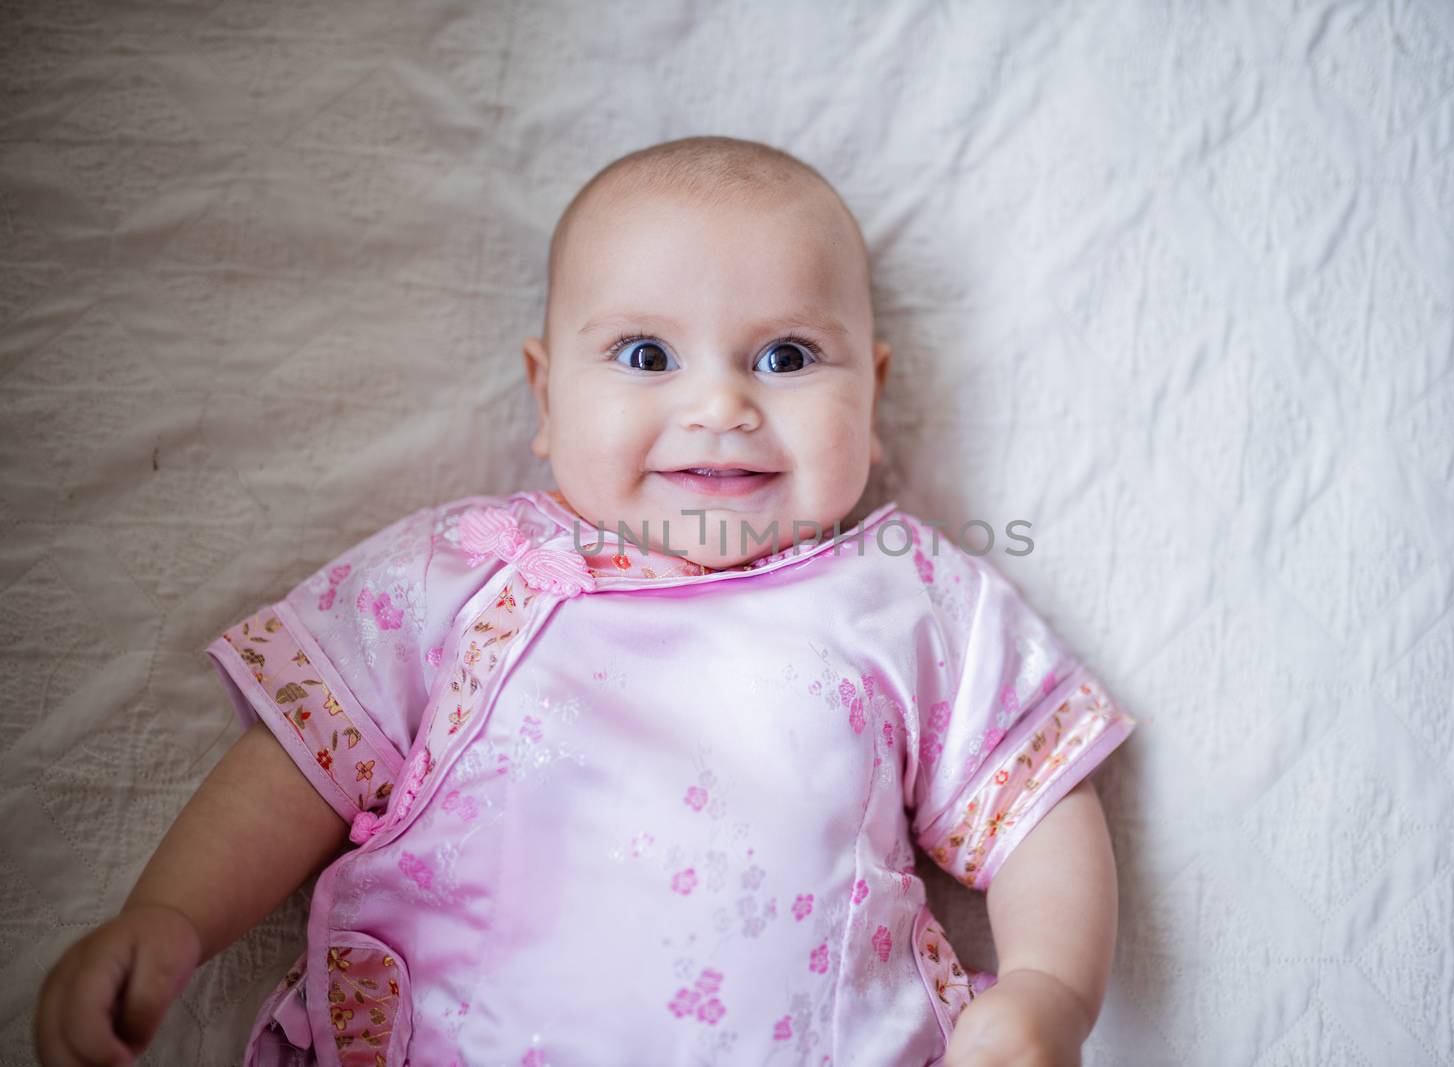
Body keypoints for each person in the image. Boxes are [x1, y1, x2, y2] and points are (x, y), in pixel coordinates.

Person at [35, 135, 1138, 1066]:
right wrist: (169, 914)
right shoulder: (458, 568)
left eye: (787, 355)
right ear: (546, 394)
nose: (719, 403)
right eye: (646, 353)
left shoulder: (911, 595)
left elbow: (1035, 801)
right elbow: (301, 758)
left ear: (875, 391)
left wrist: (1049, 988)